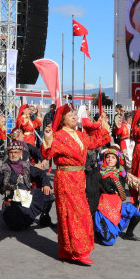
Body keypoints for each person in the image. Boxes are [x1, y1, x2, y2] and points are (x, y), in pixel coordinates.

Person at [42, 103, 111, 265]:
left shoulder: (79, 135)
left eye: (75, 114)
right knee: (73, 212)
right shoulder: (58, 135)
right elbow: (48, 152)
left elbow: (94, 142)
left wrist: (103, 127)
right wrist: (48, 138)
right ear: (62, 119)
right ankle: (78, 251)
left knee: (75, 211)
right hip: (66, 177)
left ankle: (66, 250)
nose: (74, 116)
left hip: (79, 177)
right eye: (70, 114)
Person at [0, 140, 54, 231]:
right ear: (8, 154)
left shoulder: (26, 166)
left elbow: (40, 173)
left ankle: (44, 216)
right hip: (12, 202)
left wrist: (46, 184)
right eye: (11, 152)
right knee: (17, 226)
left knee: (48, 195)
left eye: (16, 152)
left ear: (20, 153)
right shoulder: (2, 169)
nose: (13, 154)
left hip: (27, 197)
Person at [93, 146, 140, 244]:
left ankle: (128, 233)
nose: (110, 159)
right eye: (108, 157)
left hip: (118, 206)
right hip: (104, 209)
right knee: (109, 242)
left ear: (117, 160)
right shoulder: (98, 173)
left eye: (113, 157)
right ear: (104, 159)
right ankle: (97, 232)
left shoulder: (121, 173)